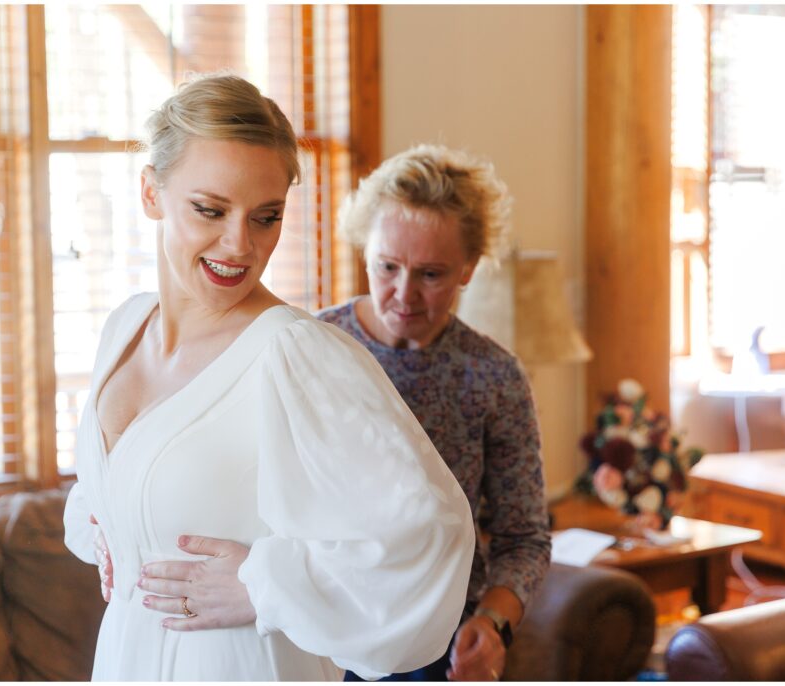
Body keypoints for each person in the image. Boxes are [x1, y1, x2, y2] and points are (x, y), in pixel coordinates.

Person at [62, 75, 475, 682]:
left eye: (266, 216)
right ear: (151, 192)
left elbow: (428, 534)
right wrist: (108, 529)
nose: (239, 244)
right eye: (210, 209)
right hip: (127, 657)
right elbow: (113, 494)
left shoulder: (295, 355)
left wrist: (265, 585)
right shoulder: (124, 329)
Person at [115, 144, 551, 681]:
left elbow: (524, 534)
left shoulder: (494, 376)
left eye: (431, 274)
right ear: (364, 250)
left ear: (469, 269)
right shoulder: (306, 348)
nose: (403, 293)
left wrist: (494, 622)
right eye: (387, 266)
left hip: (438, 637)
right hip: (306, 623)